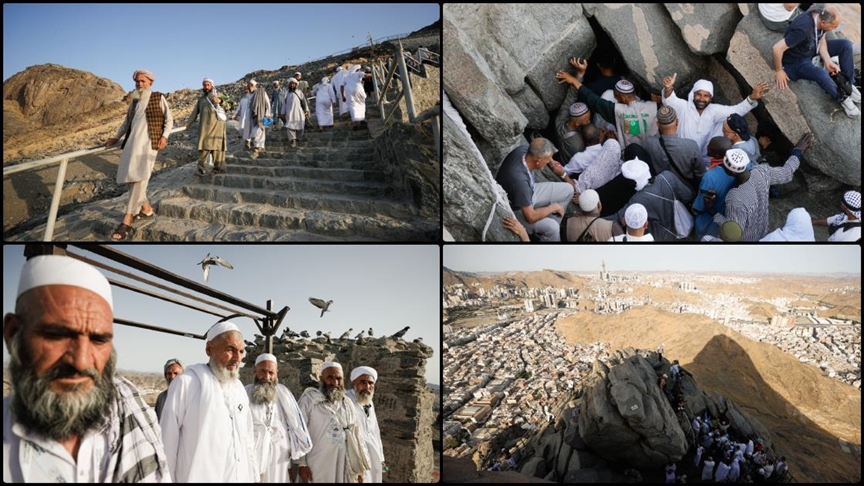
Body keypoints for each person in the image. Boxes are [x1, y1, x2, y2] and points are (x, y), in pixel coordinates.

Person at [3, 254, 170, 482]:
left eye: (99, 340)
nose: (81, 362)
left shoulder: (129, 410)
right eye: (57, 335)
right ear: (12, 334)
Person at [159, 321, 258, 482]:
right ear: (209, 349)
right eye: (230, 349)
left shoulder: (238, 387)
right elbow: (167, 443)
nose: (238, 358)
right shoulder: (186, 383)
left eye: (241, 351)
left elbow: (247, 438)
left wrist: (253, 475)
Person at [105, 69, 173, 241]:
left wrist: (164, 136)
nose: (139, 84)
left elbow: (169, 119)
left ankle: (128, 218)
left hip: (149, 144)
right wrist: (116, 137)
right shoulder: (135, 100)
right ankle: (146, 209)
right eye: (137, 82)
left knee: (140, 178)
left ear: (150, 82)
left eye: (143, 81)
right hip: (131, 144)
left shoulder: (159, 97)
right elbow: (126, 122)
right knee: (131, 177)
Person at [712, 133, 814, 241]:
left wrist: (713, 212)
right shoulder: (761, 171)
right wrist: (797, 150)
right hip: (762, 230)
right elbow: (786, 173)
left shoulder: (735, 199)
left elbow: (733, 234)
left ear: (731, 172)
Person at [773, 5, 861, 117]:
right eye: (833, 27)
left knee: (846, 45)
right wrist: (779, 70)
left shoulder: (820, 14)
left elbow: (821, 38)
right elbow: (777, 48)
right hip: (797, 60)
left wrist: (827, 60)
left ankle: (848, 82)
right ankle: (842, 98)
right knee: (822, 75)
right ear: (824, 23)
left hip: (812, 47)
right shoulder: (803, 30)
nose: (834, 29)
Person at [661, 73, 769, 163]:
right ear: (693, 95)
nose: (702, 99)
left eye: (706, 95)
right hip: (680, 155)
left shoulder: (714, 110)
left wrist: (752, 97)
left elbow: (736, 111)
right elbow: (670, 100)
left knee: (726, 122)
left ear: (711, 98)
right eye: (698, 94)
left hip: (700, 158)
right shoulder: (683, 106)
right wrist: (668, 88)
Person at [557, 59, 658, 149]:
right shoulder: (653, 106)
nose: (616, 101)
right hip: (652, 149)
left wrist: (575, 80)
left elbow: (593, 99)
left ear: (622, 97)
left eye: (616, 98)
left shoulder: (619, 111)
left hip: (630, 151)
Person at [297, 362, 370, 483]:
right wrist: (301, 464)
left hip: (344, 463)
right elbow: (299, 432)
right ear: (321, 379)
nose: (335, 383)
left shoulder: (347, 403)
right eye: (330, 377)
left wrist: (359, 469)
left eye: (338, 378)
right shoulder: (309, 400)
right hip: (317, 464)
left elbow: (357, 436)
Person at [245, 354, 313, 483]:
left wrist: (296, 465)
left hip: (280, 462)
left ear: (277, 373)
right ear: (255, 370)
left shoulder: (283, 394)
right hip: (253, 460)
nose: (267, 377)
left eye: (271, 372)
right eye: (262, 372)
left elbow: (295, 427)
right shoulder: (244, 393)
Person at [495, 138, 574, 242]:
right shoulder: (519, 181)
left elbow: (538, 150)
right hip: (518, 208)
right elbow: (530, 217)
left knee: (568, 189)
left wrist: (550, 159)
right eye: (547, 160)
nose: (548, 163)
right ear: (538, 160)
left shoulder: (524, 150)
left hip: (529, 191)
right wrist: (553, 207)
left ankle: (547, 224)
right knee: (553, 228)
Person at [615, 158, 694, 241]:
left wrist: (600, 220)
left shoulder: (637, 200)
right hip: (684, 225)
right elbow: (688, 195)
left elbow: (619, 217)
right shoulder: (667, 176)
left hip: (663, 238)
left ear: (634, 181)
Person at [642, 105, 703, 191]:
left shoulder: (648, 143)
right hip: (685, 190)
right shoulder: (691, 145)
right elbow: (700, 173)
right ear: (677, 122)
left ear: (657, 124)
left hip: (661, 189)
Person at [348, 366, 386, 483]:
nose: (367, 387)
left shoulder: (368, 402)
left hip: (372, 453)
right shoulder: (346, 401)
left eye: (370, 383)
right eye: (363, 382)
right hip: (355, 456)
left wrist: (381, 457)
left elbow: (375, 431)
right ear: (354, 382)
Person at [186, 77, 228, 175]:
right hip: (205, 128)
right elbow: (194, 113)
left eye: (208, 85)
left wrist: (221, 102)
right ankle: (201, 168)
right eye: (204, 85)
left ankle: (217, 168)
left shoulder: (220, 95)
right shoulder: (201, 99)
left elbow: (230, 105)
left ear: (212, 85)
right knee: (204, 148)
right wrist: (188, 123)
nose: (206, 87)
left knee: (217, 148)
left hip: (217, 127)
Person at [280, 78, 309, 148]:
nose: (292, 85)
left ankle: (299, 138)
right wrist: (282, 112)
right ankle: (292, 140)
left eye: (294, 84)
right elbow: (284, 103)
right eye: (291, 83)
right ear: (289, 85)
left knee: (300, 125)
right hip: (289, 112)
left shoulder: (299, 92)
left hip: (299, 112)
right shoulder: (287, 93)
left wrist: (306, 110)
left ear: (296, 85)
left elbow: (304, 101)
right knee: (289, 126)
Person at [247, 79, 271, 159]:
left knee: (258, 131)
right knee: (255, 132)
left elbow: (267, 103)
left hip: (260, 115)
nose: (248, 87)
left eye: (249, 85)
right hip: (251, 116)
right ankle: (261, 147)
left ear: (252, 85)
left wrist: (267, 114)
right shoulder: (250, 94)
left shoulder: (261, 92)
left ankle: (256, 150)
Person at [343, 65, 370, 130]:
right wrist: (373, 74)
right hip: (357, 90)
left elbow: (342, 85)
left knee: (352, 107)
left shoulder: (346, 77)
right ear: (357, 69)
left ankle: (355, 124)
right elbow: (366, 75)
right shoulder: (358, 73)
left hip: (348, 92)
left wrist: (342, 95)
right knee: (361, 105)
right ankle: (362, 120)